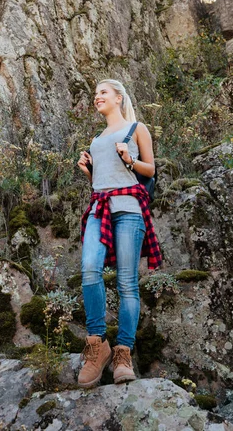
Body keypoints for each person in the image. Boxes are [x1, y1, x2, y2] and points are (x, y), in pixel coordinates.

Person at [77, 79, 162, 388]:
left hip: (128, 208)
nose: (97, 97)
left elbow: (150, 169)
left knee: (127, 283)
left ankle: (123, 352)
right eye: (95, 93)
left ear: (118, 97)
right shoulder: (97, 138)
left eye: (103, 92)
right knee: (89, 268)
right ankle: (97, 346)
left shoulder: (137, 129)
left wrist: (130, 159)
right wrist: (89, 171)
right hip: (99, 207)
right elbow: (101, 180)